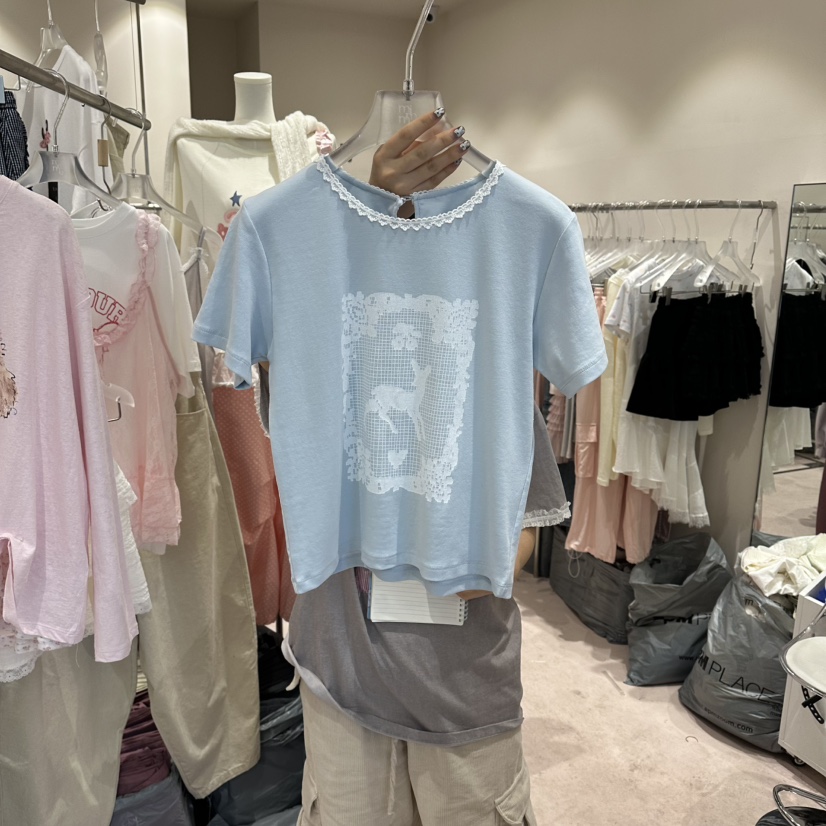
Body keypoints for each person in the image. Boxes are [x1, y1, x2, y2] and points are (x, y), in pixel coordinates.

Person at [280, 111, 570, 826]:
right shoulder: (314, 349)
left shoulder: (486, 366)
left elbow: (527, 528)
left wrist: (476, 565)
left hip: (460, 689)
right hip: (340, 672)